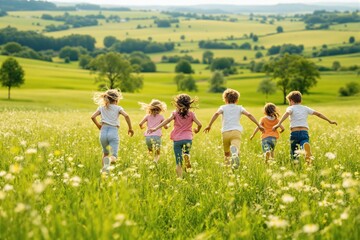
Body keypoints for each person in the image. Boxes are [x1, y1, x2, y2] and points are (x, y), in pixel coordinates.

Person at [204, 88, 264, 169]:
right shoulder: (240, 108)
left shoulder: (222, 107)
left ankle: (228, 170)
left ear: (225, 99)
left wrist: (209, 125)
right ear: (237, 100)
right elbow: (249, 115)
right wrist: (259, 125)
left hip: (225, 132)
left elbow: (216, 114)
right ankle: (235, 154)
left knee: (226, 154)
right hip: (236, 132)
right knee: (235, 148)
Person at [273, 91, 337, 164]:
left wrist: (278, 124)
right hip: (304, 132)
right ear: (301, 100)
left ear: (291, 101)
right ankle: (305, 149)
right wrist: (329, 121)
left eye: (289, 101)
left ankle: (296, 165)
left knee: (294, 151)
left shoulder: (291, 108)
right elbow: (318, 114)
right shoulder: (305, 108)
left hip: (294, 132)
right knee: (304, 143)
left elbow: (287, 113)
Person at [148, 94, 202, 178]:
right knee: (186, 154)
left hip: (177, 140)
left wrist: (155, 128)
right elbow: (200, 124)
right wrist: (197, 130)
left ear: (177, 104)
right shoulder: (191, 114)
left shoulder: (175, 113)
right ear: (188, 104)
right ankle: (187, 162)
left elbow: (167, 120)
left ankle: (180, 178)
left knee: (178, 161)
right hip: (188, 139)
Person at [91, 89, 134, 173]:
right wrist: (130, 128)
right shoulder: (118, 108)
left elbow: (92, 117)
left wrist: (98, 125)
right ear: (116, 100)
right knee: (113, 156)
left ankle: (104, 172)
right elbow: (127, 116)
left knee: (105, 153)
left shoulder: (101, 108)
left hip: (103, 132)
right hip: (113, 132)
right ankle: (110, 160)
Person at [138, 99, 168, 163]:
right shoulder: (161, 117)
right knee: (157, 152)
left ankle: (150, 162)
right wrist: (167, 126)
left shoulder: (147, 116)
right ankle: (155, 161)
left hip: (148, 137)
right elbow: (165, 127)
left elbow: (140, 124)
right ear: (160, 109)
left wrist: (142, 127)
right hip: (157, 136)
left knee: (150, 151)